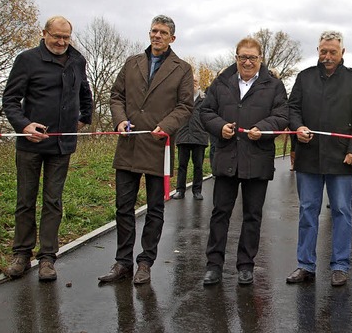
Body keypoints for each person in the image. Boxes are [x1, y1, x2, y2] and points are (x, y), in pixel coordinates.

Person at [99, 15, 194, 285]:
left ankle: (145, 262)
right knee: (123, 207)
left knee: (155, 209)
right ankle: (122, 262)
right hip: (128, 146)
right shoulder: (132, 63)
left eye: (163, 32)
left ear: (172, 38)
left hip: (158, 147)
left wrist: (166, 125)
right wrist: (119, 120)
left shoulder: (182, 69)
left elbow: (186, 106)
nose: (157, 36)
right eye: (154, 31)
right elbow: (116, 95)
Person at [2, 16, 93, 281]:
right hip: (30, 144)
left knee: (53, 201)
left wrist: (85, 117)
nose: (62, 42)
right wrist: (24, 125)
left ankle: (47, 258)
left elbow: (84, 91)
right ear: (44, 34)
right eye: (57, 36)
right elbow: (10, 99)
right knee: (25, 199)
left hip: (62, 144)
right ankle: (21, 254)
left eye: (66, 37)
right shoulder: (27, 60)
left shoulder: (78, 60)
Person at [200, 38, 288, 286]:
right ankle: (214, 265)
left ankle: (246, 265)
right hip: (227, 155)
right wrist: (220, 128)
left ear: (260, 59)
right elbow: (205, 112)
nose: (247, 62)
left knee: (252, 215)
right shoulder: (221, 82)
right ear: (236, 57)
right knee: (220, 213)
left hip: (257, 157)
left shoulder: (274, 85)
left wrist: (263, 128)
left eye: (252, 57)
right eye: (243, 57)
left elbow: (282, 115)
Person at [286, 31, 352, 287]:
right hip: (308, 156)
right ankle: (305, 264)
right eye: (323, 51)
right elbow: (293, 108)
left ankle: (340, 265)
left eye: (332, 51)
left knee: (342, 212)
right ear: (318, 51)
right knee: (307, 210)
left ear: (342, 52)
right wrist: (298, 128)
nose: (327, 56)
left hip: (341, 158)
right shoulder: (305, 77)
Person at [172, 74, 209, 200]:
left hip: (200, 137)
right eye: (191, 81)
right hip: (183, 135)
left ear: (199, 83)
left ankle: (197, 191)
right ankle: (180, 190)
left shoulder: (205, 99)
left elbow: (209, 117)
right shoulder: (180, 99)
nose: (193, 83)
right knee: (182, 165)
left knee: (198, 165)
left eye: (195, 81)